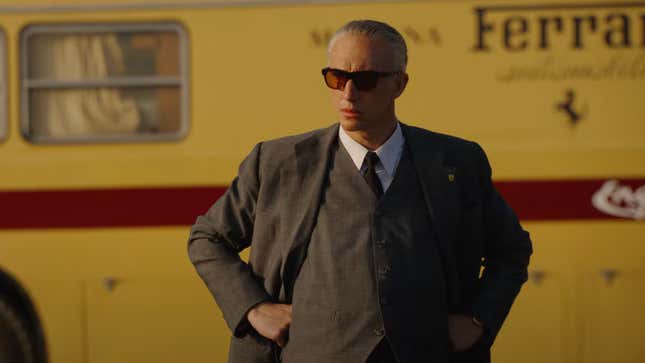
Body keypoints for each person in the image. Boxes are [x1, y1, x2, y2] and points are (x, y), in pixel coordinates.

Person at [188, 19, 532, 363]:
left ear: (400, 84)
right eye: (336, 78)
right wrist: (254, 308)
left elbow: (511, 251)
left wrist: (479, 320)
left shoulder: (456, 162)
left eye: (365, 81)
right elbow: (207, 238)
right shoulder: (277, 163)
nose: (348, 94)